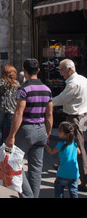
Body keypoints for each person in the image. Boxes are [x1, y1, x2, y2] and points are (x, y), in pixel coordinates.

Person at [5, 58, 53, 198]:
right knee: (36, 169)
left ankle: (27, 196)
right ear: (38, 71)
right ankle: (33, 195)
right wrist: (48, 133)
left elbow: (19, 113)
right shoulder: (47, 90)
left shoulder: (24, 89)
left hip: (26, 129)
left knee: (14, 162)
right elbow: (49, 114)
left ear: (24, 72)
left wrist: (11, 135)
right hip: (41, 129)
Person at [52, 58, 87, 192]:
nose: (61, 73)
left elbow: (62, 98)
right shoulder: (83, 79)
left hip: (75, 117)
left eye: (62, 70)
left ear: (70, 69)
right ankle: (64, 166)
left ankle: (84, 181)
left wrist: (48, 102)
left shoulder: (73, 83)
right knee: (74, 144)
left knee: (78, 146)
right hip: (82, 115)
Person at [45, 121, 80, 198]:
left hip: (63, 172)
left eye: (59, 131)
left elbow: (51, 152)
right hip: (74, 173)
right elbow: (79, 152)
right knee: (73, 190)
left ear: (64, 133)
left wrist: (45, 145)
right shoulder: (74, 143)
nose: (58, 132)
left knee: (59, 188)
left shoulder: (61, 144)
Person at [0, 64, 20, 150]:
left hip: (1, 107)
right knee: (11, 127)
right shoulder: (17, 83)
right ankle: (10, 144)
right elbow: (18, 96)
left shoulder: (1, 82)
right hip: (12, 107)